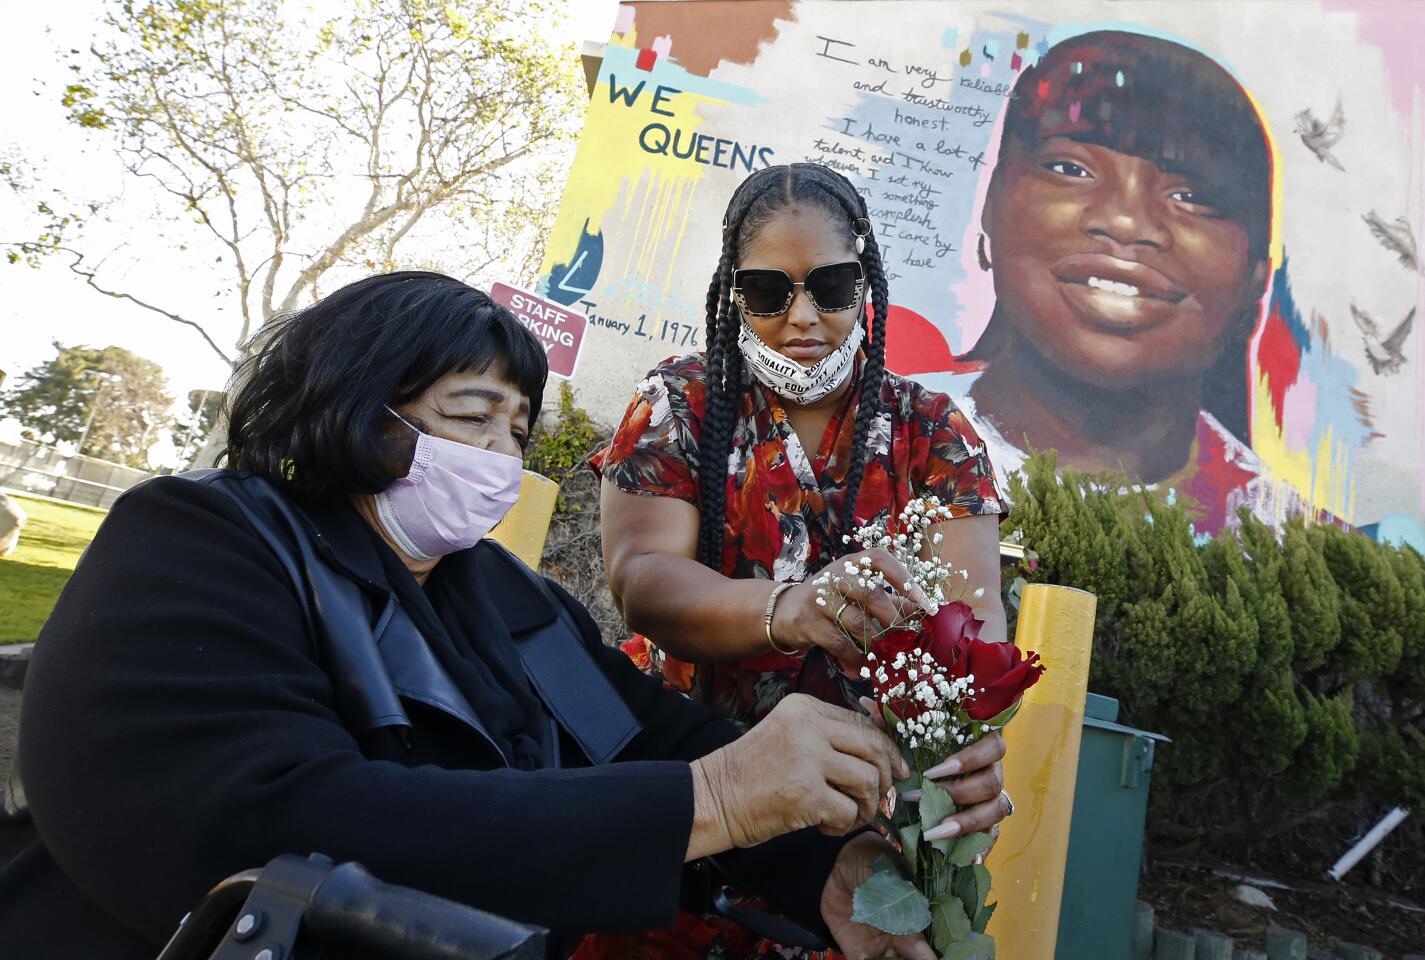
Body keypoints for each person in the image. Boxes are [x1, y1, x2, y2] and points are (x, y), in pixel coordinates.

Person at [0, 272, 995, 960]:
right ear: (355, 407)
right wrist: (718, 799)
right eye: (472, 418)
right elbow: (262, 823)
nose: (500, 457)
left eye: (517, 431)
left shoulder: (501, 594)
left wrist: (833, 856)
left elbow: (647, 736)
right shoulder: (204, 540)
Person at [592, 165, 1011, 956]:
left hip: (854, 833)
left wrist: (963, 742)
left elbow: (974, 619)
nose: (801, 316)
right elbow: (642, 581)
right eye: (766, 292)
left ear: (865, 282)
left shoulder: (930, 429)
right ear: (732, 292)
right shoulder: (680, 404)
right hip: (689, 787)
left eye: (830, 286)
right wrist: (791, 610)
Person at [960, 30, 1291, 534]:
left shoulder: (1293, 551)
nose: (1127, 222)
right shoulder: (869, 463)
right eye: (1071, 168)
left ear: (1255, 277)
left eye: (1191, 195)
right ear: (990, 211)